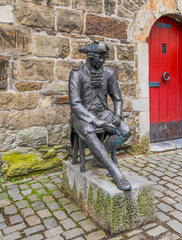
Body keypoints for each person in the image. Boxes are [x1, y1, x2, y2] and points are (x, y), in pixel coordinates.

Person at [69, 40, 132, 191]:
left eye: (105, 57)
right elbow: (75, 104)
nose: (103, 61)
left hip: (104, 112)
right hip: (82, 116)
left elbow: (117, 98)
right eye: (100, 57)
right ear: (90, 56)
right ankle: (116, 173)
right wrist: (95, 121)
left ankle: (99, 157)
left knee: (125, 131)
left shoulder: (109, 74)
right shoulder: (77, 74)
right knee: (89, 131)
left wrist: (117, 114)